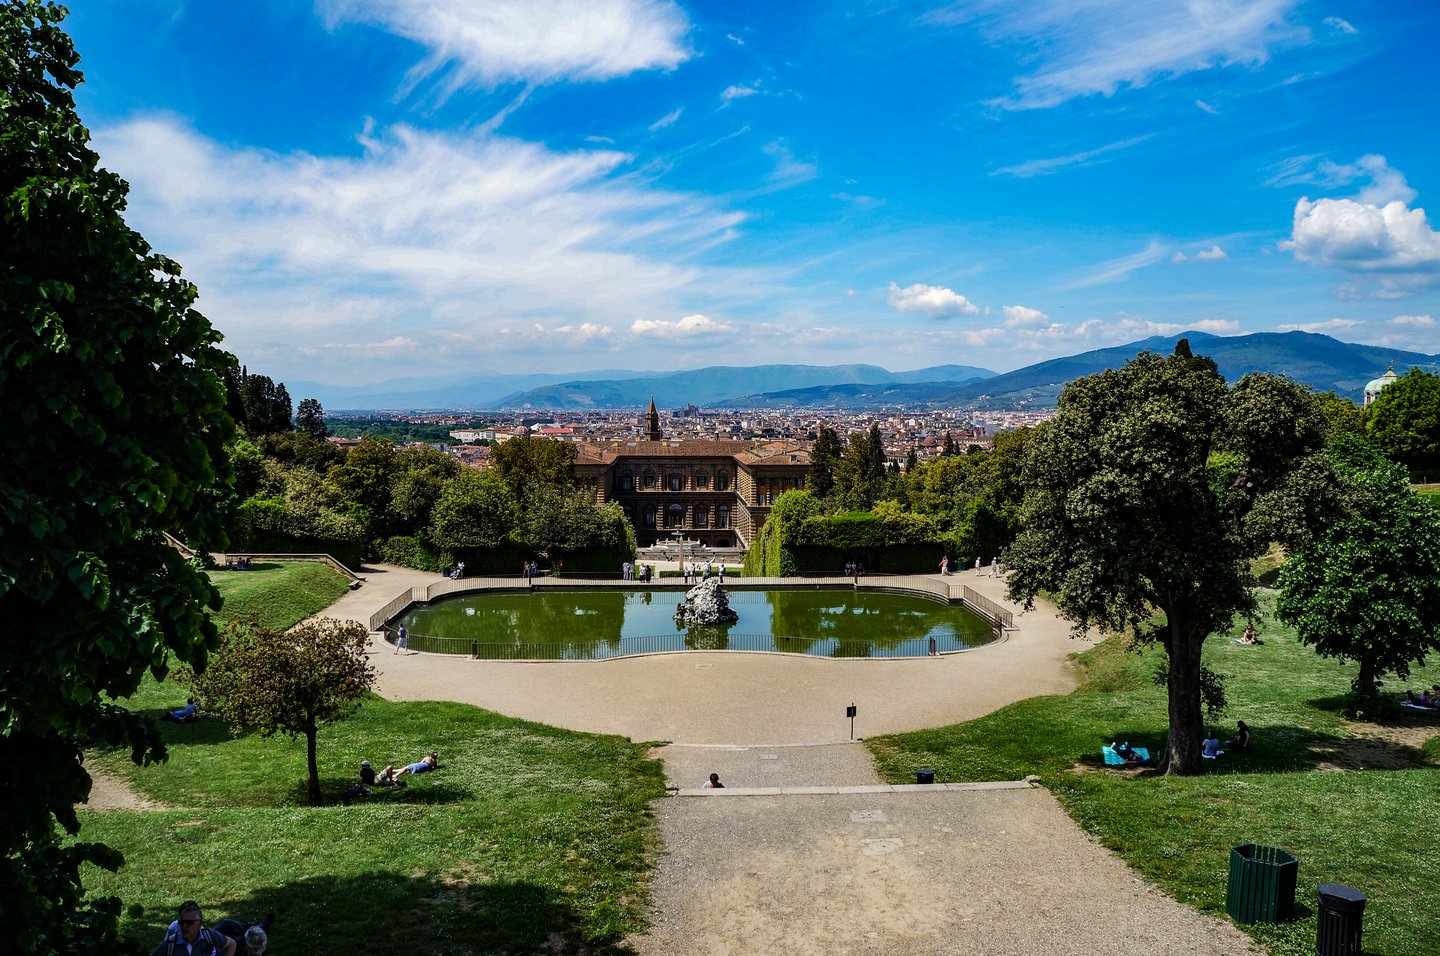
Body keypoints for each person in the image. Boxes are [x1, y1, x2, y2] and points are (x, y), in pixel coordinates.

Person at [153, 901, 236, 956]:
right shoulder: (171, 944)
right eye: (181, 922)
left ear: (200, 923)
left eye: (189, 922)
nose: (185, 925)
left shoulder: (209, 935)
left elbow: (231, 944)